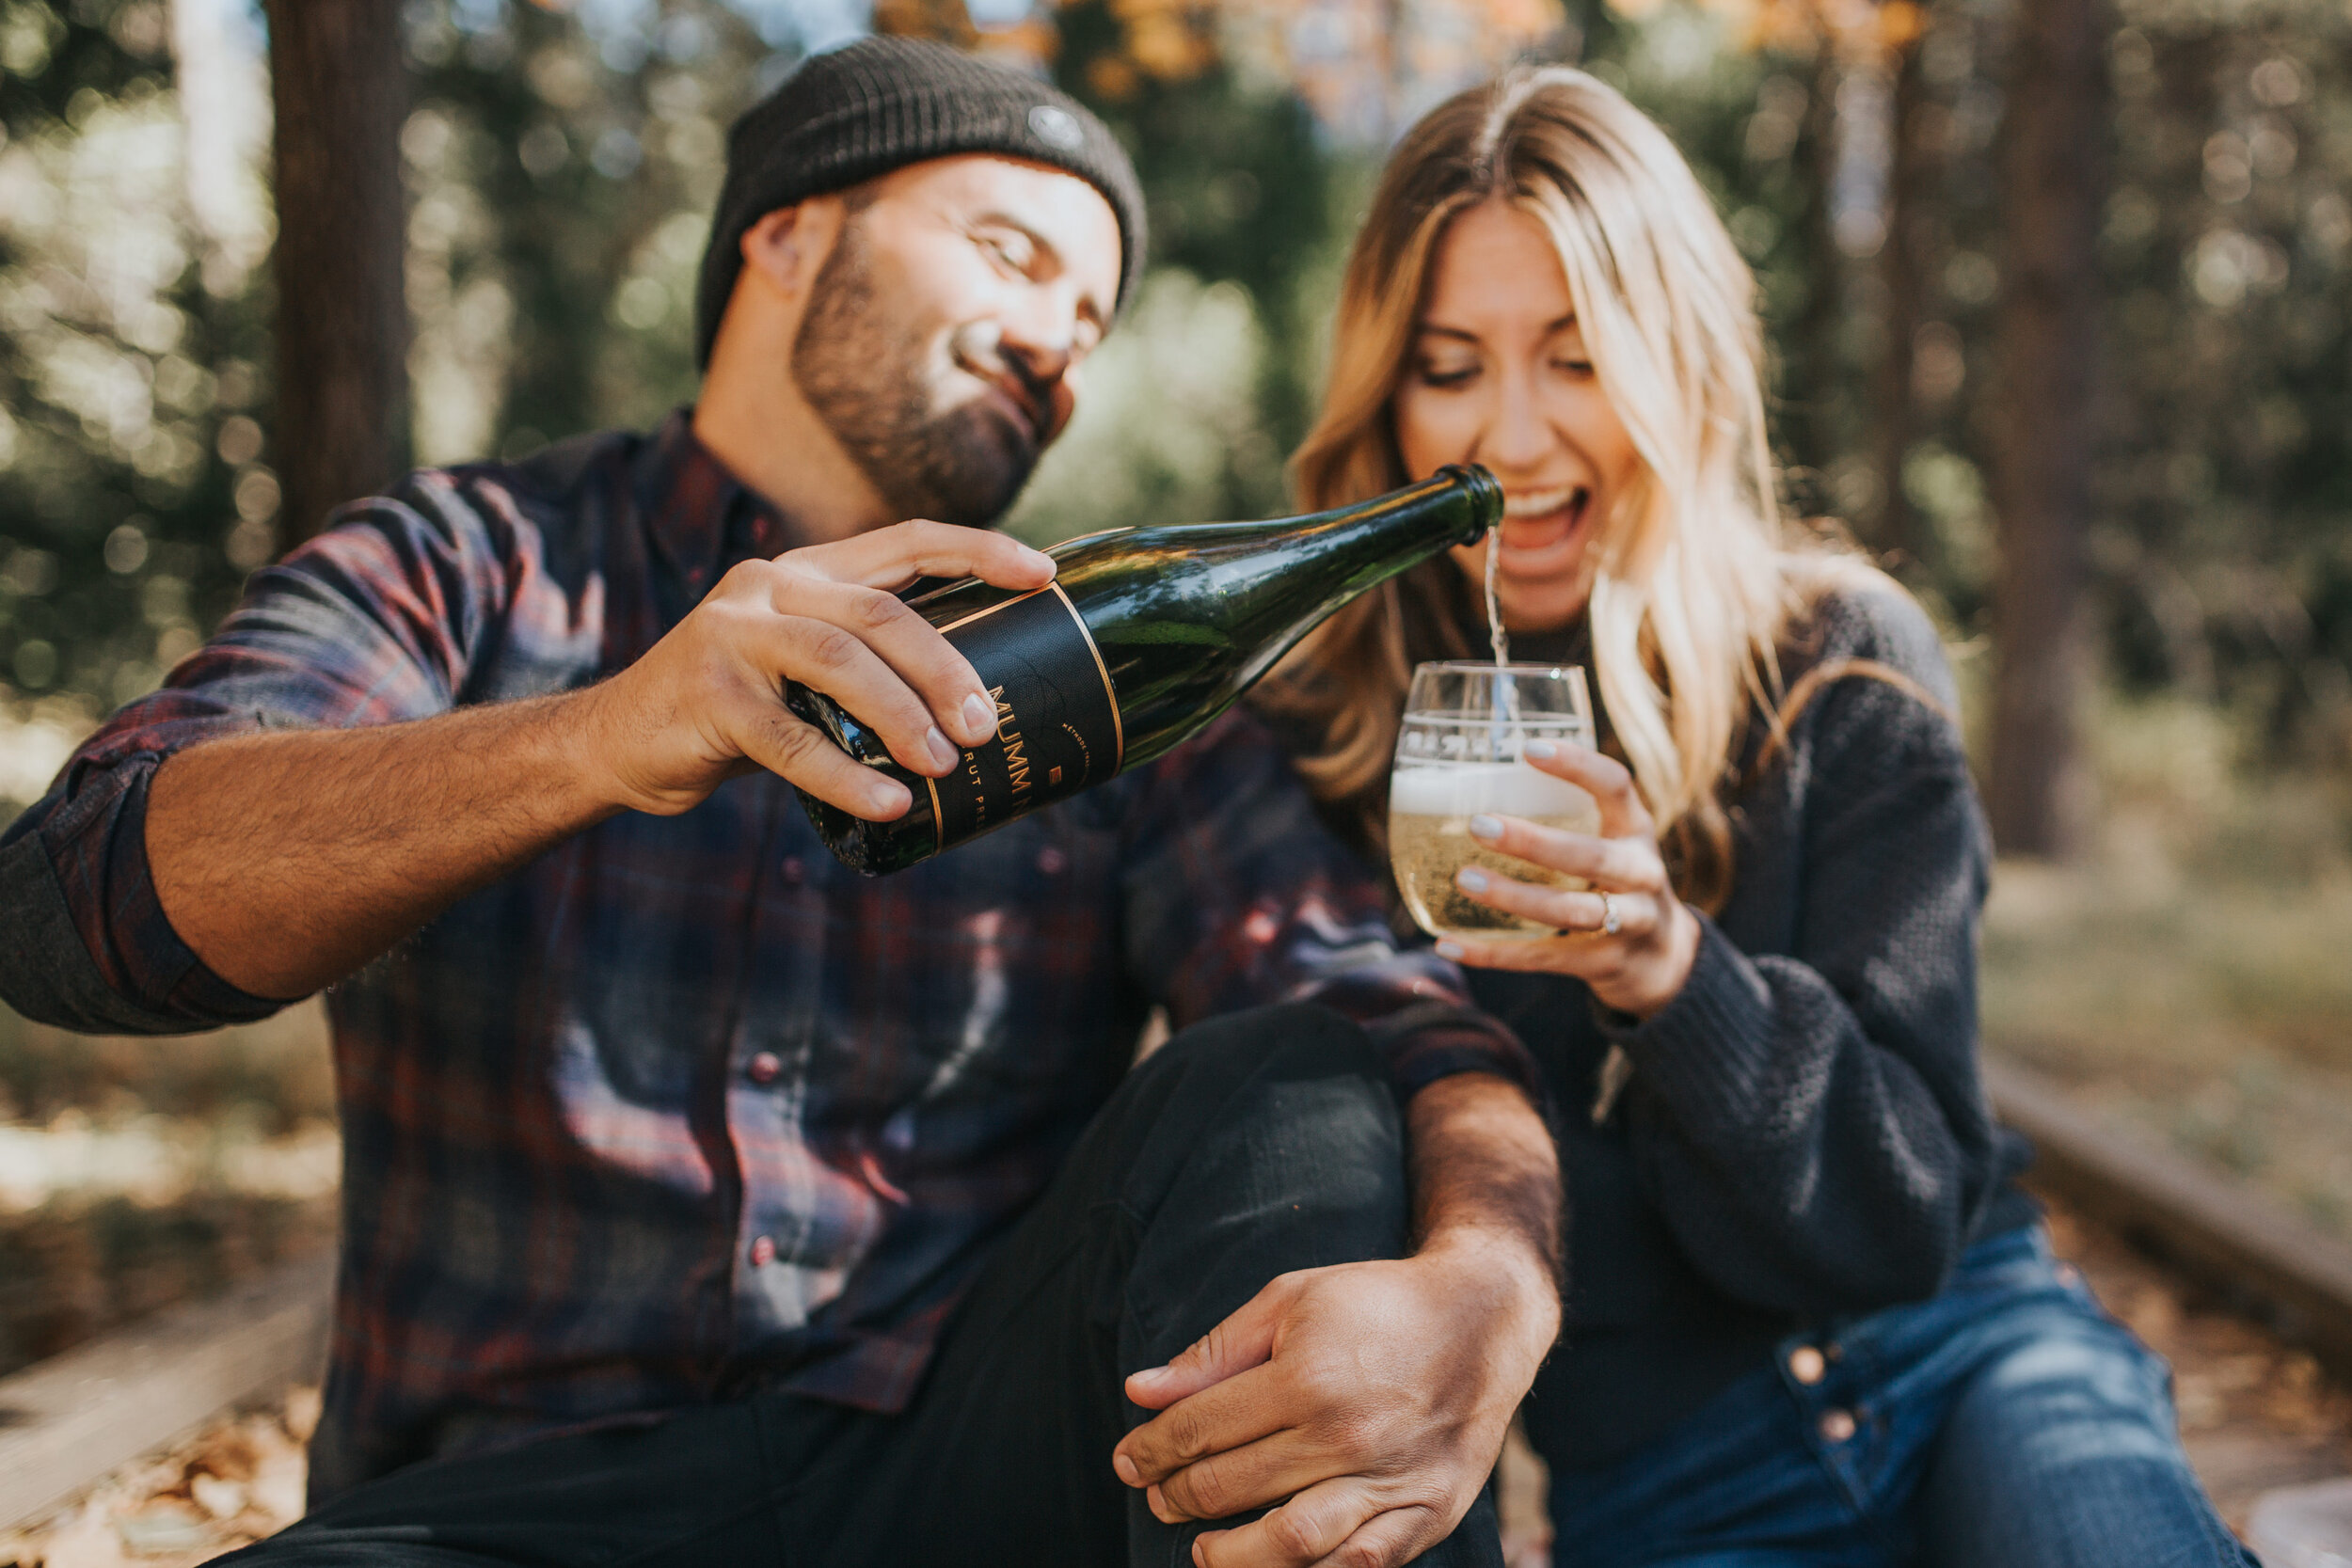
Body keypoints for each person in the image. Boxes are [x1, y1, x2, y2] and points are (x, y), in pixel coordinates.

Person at [0, 40, 1563, 1568]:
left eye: (1089, 322)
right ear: (790, 230)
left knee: (1287, 1080)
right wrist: (608, 735)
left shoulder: (1091, 662)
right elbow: (72, 910)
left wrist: (1496, 1284)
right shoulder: (473, 562)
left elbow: (1384, 1018)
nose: (1055, 349)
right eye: (1009, 253)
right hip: (503, 1504)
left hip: (955, 1477)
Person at [1265, 67, 2254, 1567]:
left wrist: (1668, 970)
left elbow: (1906, 1209)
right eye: (1450, 366)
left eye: (1580, 358)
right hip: (1663, 1463)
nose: (1511, 441)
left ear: (1682, 362)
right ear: (1384, 392)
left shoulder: (1839, 661)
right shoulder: (1339, 734)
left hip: (1971, 1353)